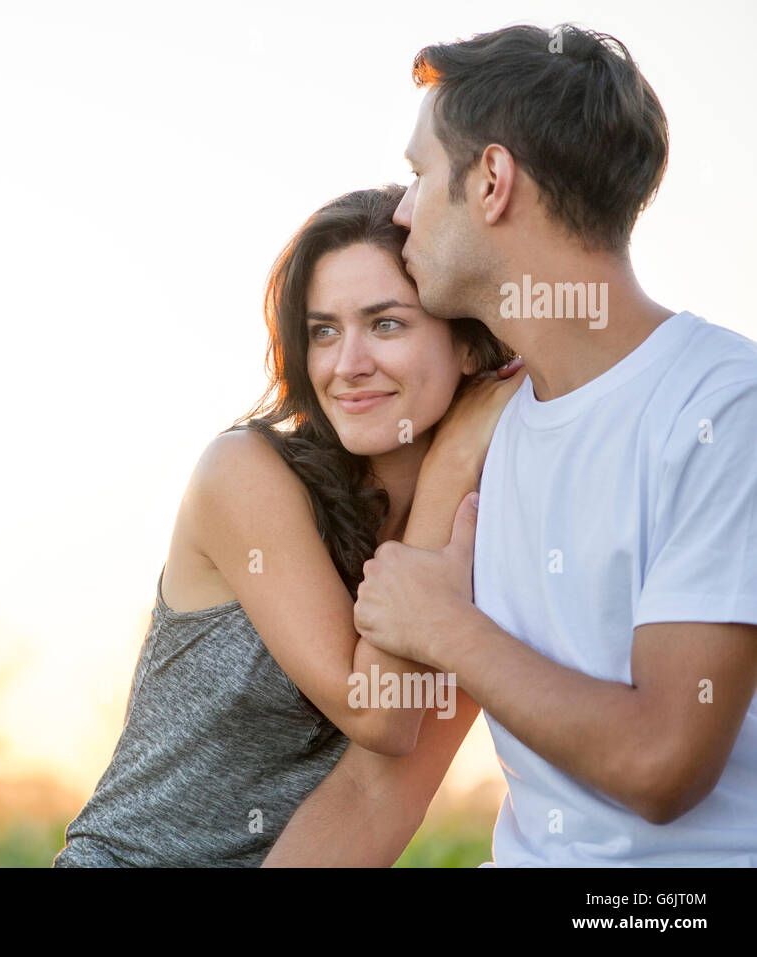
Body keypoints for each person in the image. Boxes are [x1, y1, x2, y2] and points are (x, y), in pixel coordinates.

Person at [266, 23, 757, 867]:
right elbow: (377, 784)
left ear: (492, 181)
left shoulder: (722, 407)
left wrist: (448, 630)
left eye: (421, 174)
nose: (400, 210)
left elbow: (663, 764)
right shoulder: (479, 438)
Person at [53, 184, 520, 866]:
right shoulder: (242, 474)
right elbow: (379, 711)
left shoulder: (487, 536)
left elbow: (377, 795)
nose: (347, 363)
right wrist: (450, 465)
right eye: (322, 330)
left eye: (385, 323)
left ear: (470, 346)